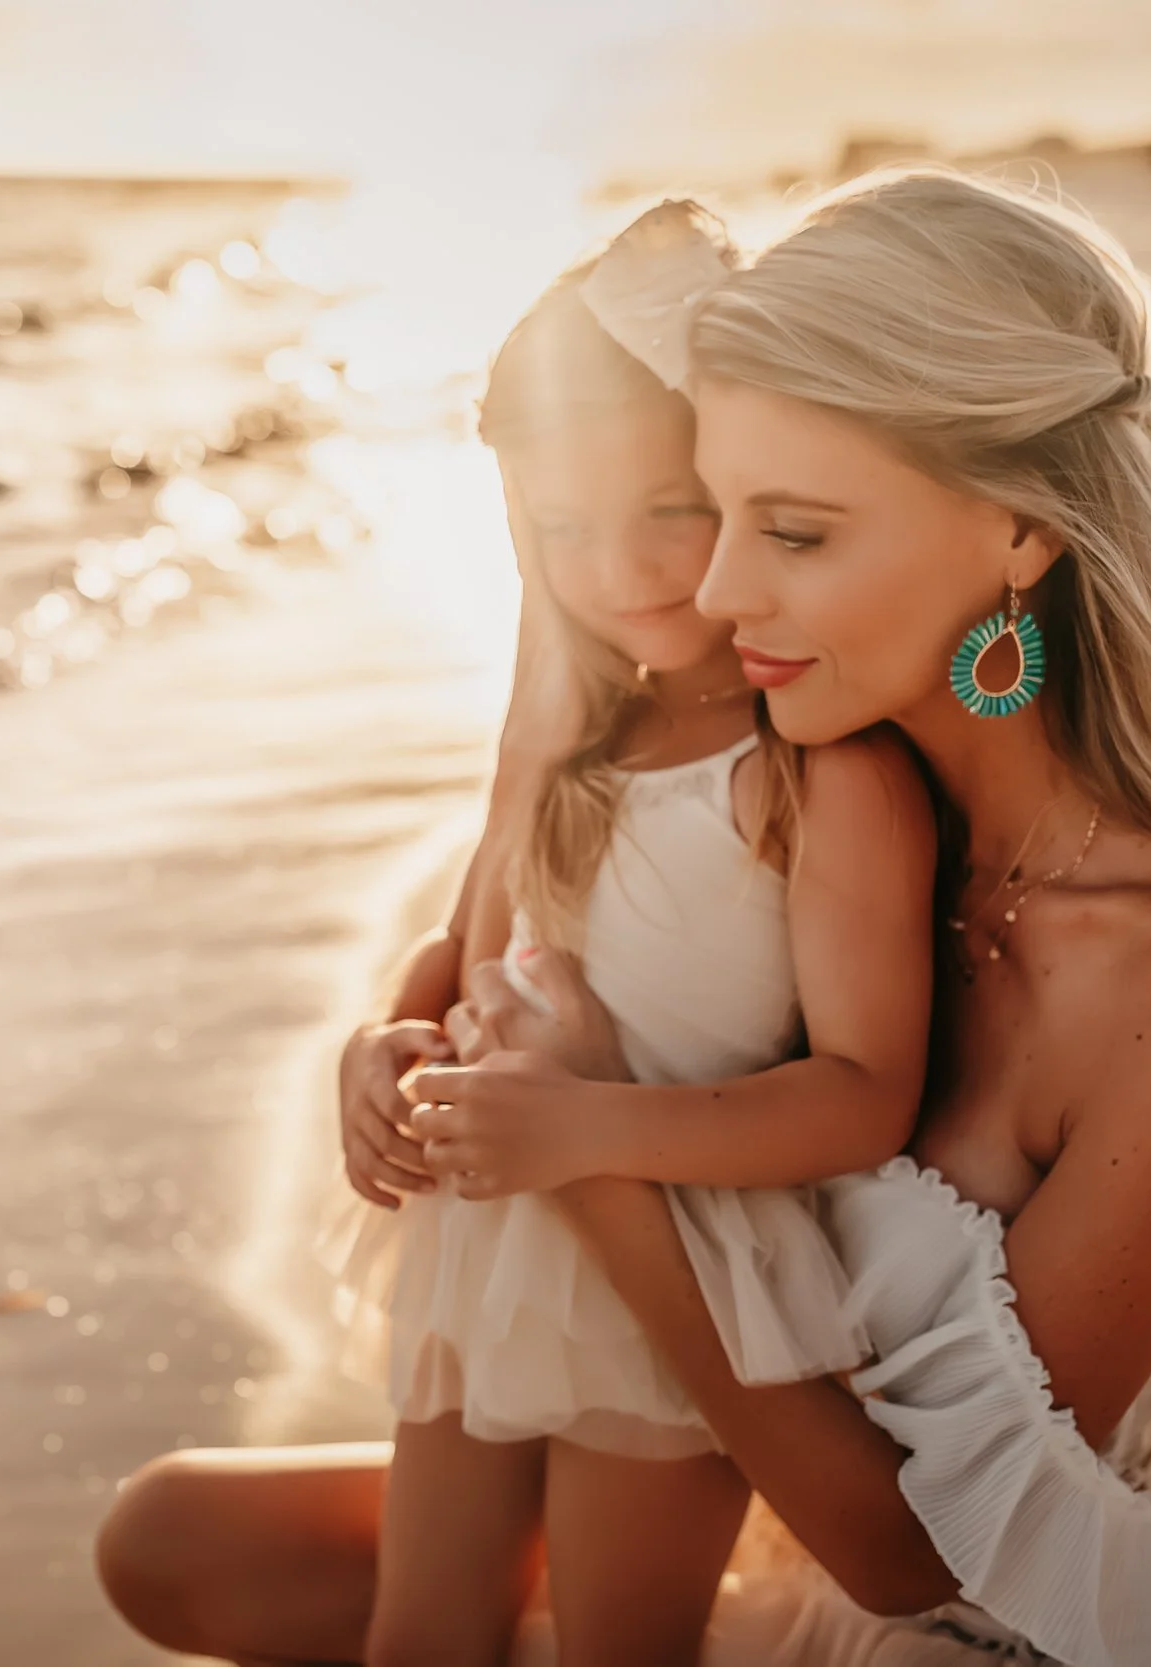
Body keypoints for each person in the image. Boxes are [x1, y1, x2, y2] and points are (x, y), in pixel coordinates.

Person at [96, 168, 1151, 1667]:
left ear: (1020, 534)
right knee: (175, 1540)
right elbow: (533, 910)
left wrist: (585, 1144)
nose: (712, 588)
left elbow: (911, 1549)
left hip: (959, 1629)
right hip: (732, 1508)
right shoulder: (796, 804)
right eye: (710, 508)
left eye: (789, 531)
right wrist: (409, 1038)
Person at [318, 200, 936, 1667]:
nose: (627, 568)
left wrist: (589, 1125)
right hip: (493, 1226)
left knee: (619, 1646)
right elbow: (484, 934)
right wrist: (383, 1032)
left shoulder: (818, 766)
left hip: (684, 1259)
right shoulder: (569, 727)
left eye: (672, 504)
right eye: (564, 527)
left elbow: (865, 1092)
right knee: (424, 1633)